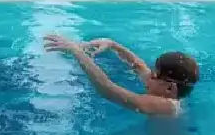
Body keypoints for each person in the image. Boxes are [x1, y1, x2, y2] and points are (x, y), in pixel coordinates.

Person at [42, 34, 199, 117]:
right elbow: (138, 66)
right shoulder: (164, 90)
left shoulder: (168, 106)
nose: (148, 74)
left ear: (169, 88)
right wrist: (113, 45)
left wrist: (76, 51)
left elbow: (107, 89)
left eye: (154, 74)